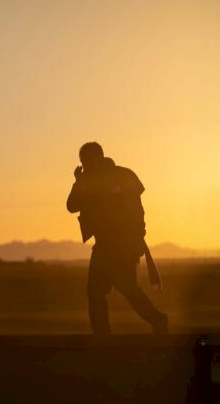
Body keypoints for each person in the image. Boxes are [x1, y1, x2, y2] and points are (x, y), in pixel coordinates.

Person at [66, 142, 168, 335]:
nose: (84, 166)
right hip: (105, 246)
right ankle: (104, 336)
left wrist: (136, 237)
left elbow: (137, 211)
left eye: (86, 162)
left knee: (124, 288)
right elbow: (71, 206)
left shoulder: (120, 177)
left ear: (96, 159)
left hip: (122, 246)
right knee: (99, 291)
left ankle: (156, 320)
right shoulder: (91, 180)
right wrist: (79, 181)